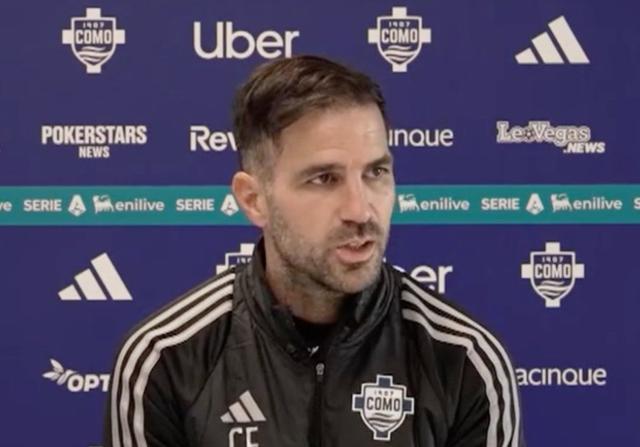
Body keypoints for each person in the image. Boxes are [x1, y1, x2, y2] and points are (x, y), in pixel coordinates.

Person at [104, 55, 524, 447]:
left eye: (376, 172)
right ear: (253, 199)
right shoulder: (167, 360)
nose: (360, 210)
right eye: (324, 179)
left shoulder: (464, 361)